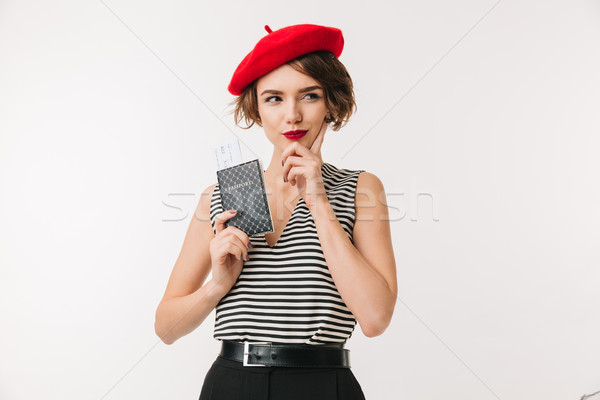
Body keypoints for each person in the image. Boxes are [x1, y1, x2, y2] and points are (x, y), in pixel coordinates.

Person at [154, 23, 398, 400]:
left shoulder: (360, 189)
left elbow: (375, 318)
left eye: (309, 95)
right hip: (231, 383)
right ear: (255, 108)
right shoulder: (221, 196)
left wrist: (318, 200)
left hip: (321, 383)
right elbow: (166, 328)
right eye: (274, 98)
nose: (293, 115)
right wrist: (217, 287)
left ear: (332, 102)